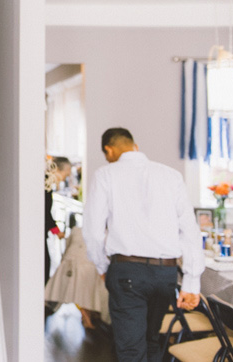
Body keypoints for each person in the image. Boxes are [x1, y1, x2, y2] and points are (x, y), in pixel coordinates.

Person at [83, 128, 205, 362]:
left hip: (127, 272)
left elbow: (93, 232)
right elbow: (189, 230)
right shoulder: (171, 175)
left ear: (109, 149)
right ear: (135, 146)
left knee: (130, 349)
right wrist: (192, 281)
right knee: (151, 340)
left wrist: (102, 267)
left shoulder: (106, 174)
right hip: (165, 274)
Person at [44, 214, 110, 329]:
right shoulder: (105, 234)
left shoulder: (78, 231)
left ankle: (86, 315)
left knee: (79, 289)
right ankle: (88, 316)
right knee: (87, 290)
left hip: (73, 264)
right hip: (87, 267)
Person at [45, 156, 72, 284]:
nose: (65, 179)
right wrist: (57, 230)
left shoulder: (46, 184)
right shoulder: (46, 185)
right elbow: (45, 212)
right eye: (66, 175)